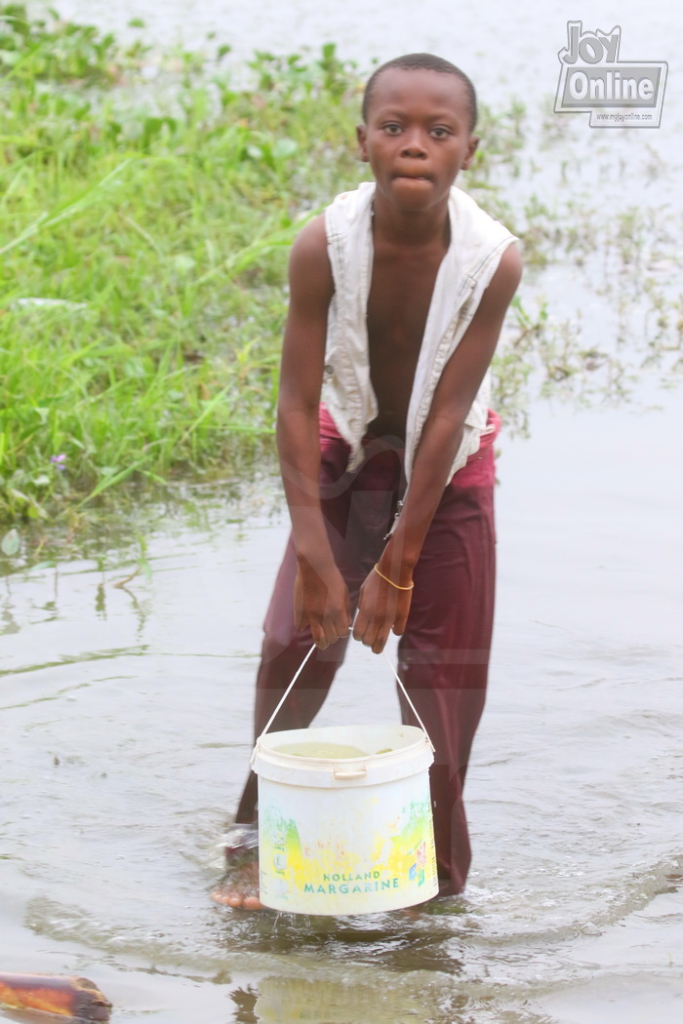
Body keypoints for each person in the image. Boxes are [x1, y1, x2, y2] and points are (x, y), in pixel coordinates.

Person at [213, 53, 523, 910]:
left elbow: (450, 416)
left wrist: (398, 564)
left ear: (470, 151)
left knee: (445, 678)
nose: (414, 146)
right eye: (394, 128)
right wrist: (319, 557)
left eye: (437, 131)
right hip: (345, 446)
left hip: (447, 473)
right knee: (294, 643)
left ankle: (438, 887)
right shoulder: (325, 245)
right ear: (362, 143)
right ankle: (252, 835)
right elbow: (293, 401)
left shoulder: (491, 261)